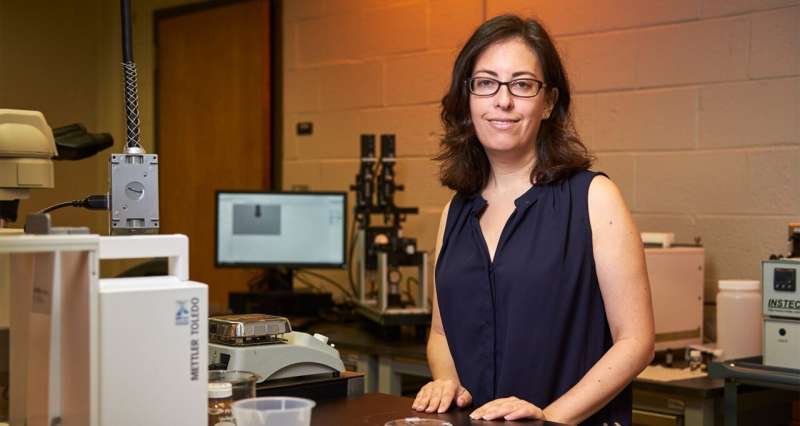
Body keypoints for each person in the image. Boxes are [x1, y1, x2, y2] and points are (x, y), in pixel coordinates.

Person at [411, 15, 655, 425]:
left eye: (522, 85)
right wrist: (446, 380)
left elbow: (636, 342)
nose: (502, 101)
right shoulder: (456, 210)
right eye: (486, 83)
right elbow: (440, 334)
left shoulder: (593, 198)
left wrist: (549, 417)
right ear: (467, 101)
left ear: (548, 102)